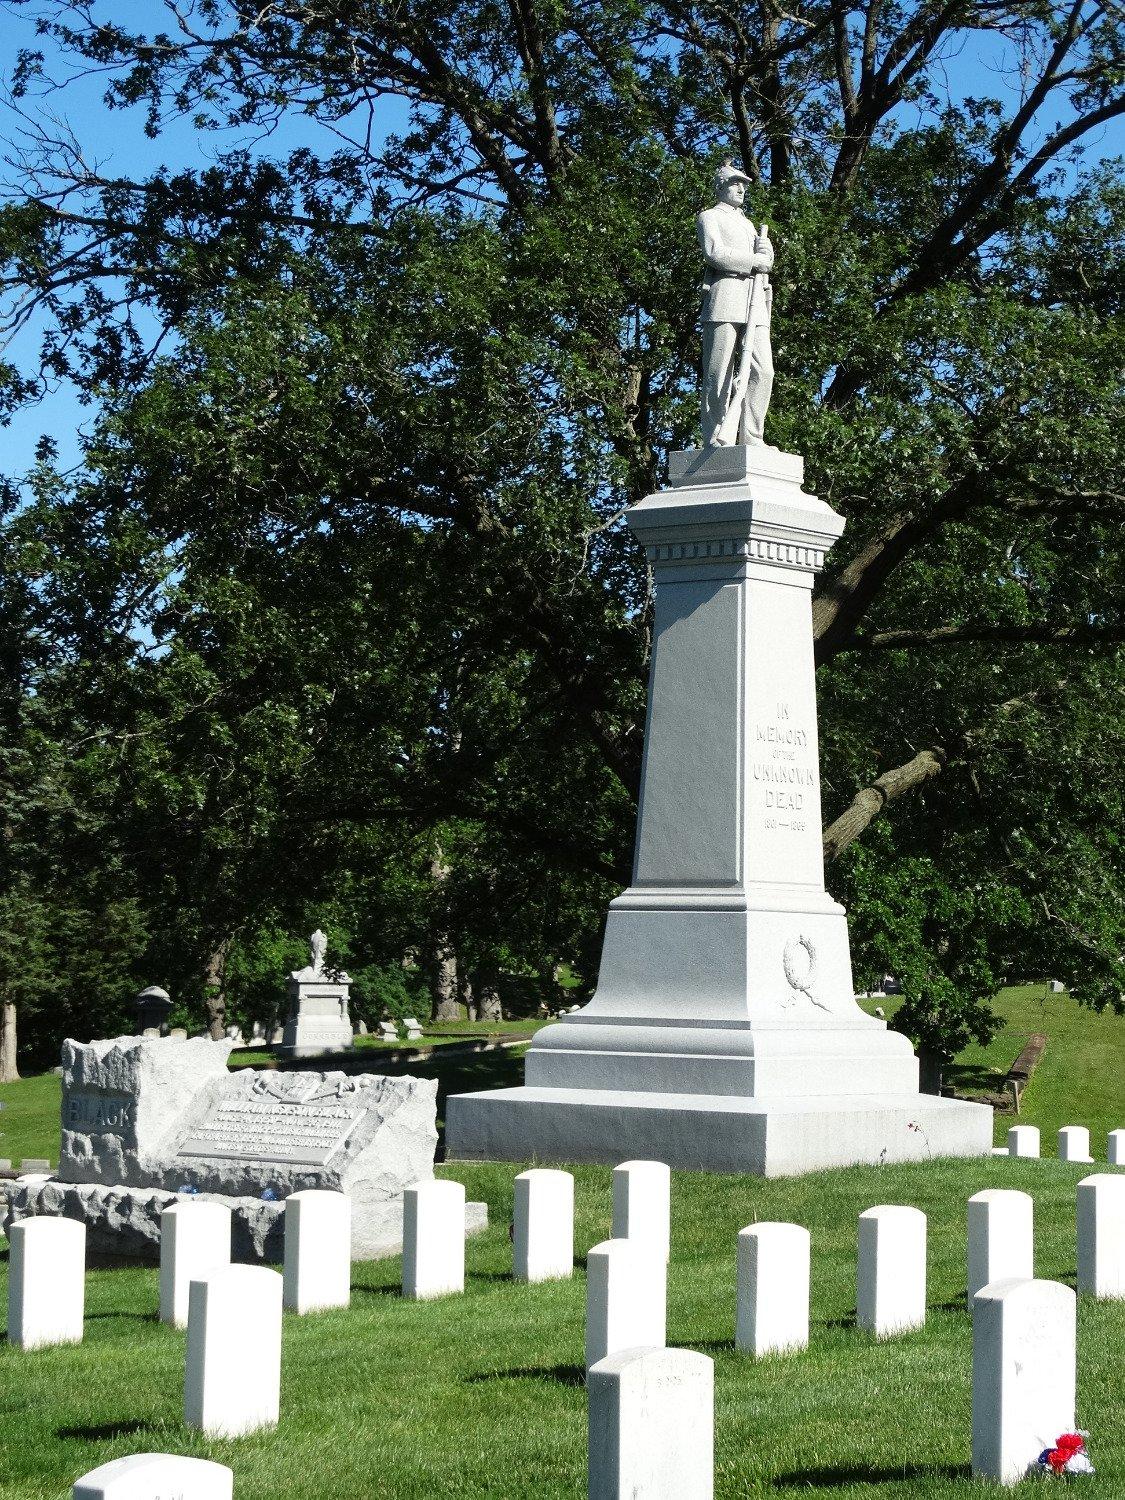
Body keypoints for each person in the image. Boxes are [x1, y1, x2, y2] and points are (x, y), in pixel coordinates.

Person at [696, 161, 775, 446]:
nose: (741, 189)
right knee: (719, 371)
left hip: (754, 299)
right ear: (720, 187)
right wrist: (755, 260)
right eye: (735, 183)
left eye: (743, 184)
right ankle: (716, 434)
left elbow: (764, 263)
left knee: (763, 370)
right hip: (725, 295)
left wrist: (767, 254)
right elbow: (714, 253)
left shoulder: (749, 224)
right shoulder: (709, 216)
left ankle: (752, 436)